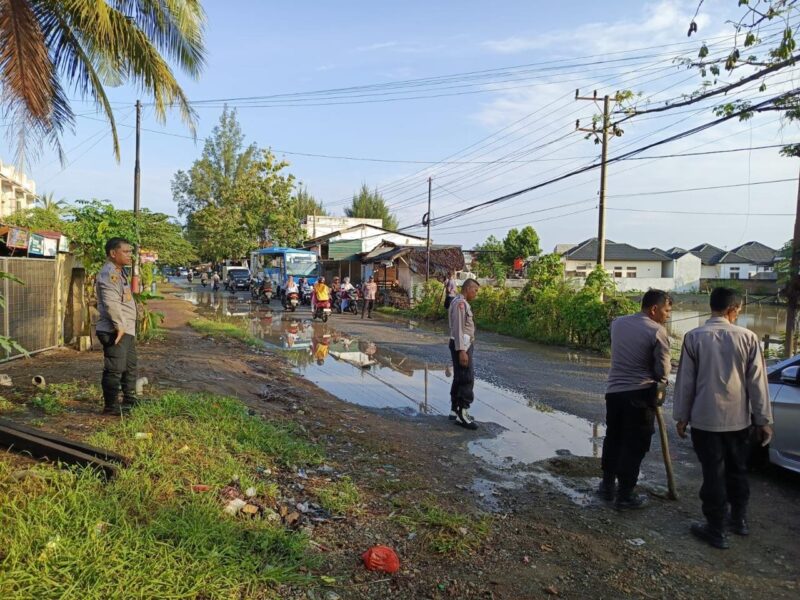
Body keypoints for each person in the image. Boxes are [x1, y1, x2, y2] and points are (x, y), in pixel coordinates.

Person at [673, 287, 772, 550]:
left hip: (705, 420)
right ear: (733, 310)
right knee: (737, 469)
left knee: (713, 473)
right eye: (738, 310)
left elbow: (686, 383)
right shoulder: (749, 338)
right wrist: (763, 420)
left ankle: (715, 529)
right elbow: (758, 384)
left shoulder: (694, 337)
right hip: (739, 420)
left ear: (712, 306)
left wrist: (681, 416)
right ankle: (738, 520)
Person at [600, 289, 672, 509]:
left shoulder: (618, 323)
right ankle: (625, 495)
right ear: (654, 309)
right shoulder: (658, 331)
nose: (668, 315)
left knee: (613, 438)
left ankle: (607, 486)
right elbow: (663, 372)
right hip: (639, 395)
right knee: (635, 444)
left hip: (614, 392)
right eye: (667, 311)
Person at [95, 237, 139, 415]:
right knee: (114, 369)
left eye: (130, 251)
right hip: (115, 330)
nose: (130, 255)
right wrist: (119, 326)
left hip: (126, 329)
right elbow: (110, 302)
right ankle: (110, 407)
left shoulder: (120, 272)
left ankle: (130, 400)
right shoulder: (109, 274)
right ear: (113, 253)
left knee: (129, 366)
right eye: (126, 251)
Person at [448, 278, 480, 430]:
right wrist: (462, 351)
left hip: (461, 343)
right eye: (475, 290)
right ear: (468, 289)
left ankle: (455, 410)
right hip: (463, 345)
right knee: (467, 378)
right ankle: (463, 413)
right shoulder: (461, 304)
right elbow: (459, 328)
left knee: (459, 377)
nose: (476, 294)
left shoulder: (457, 301)